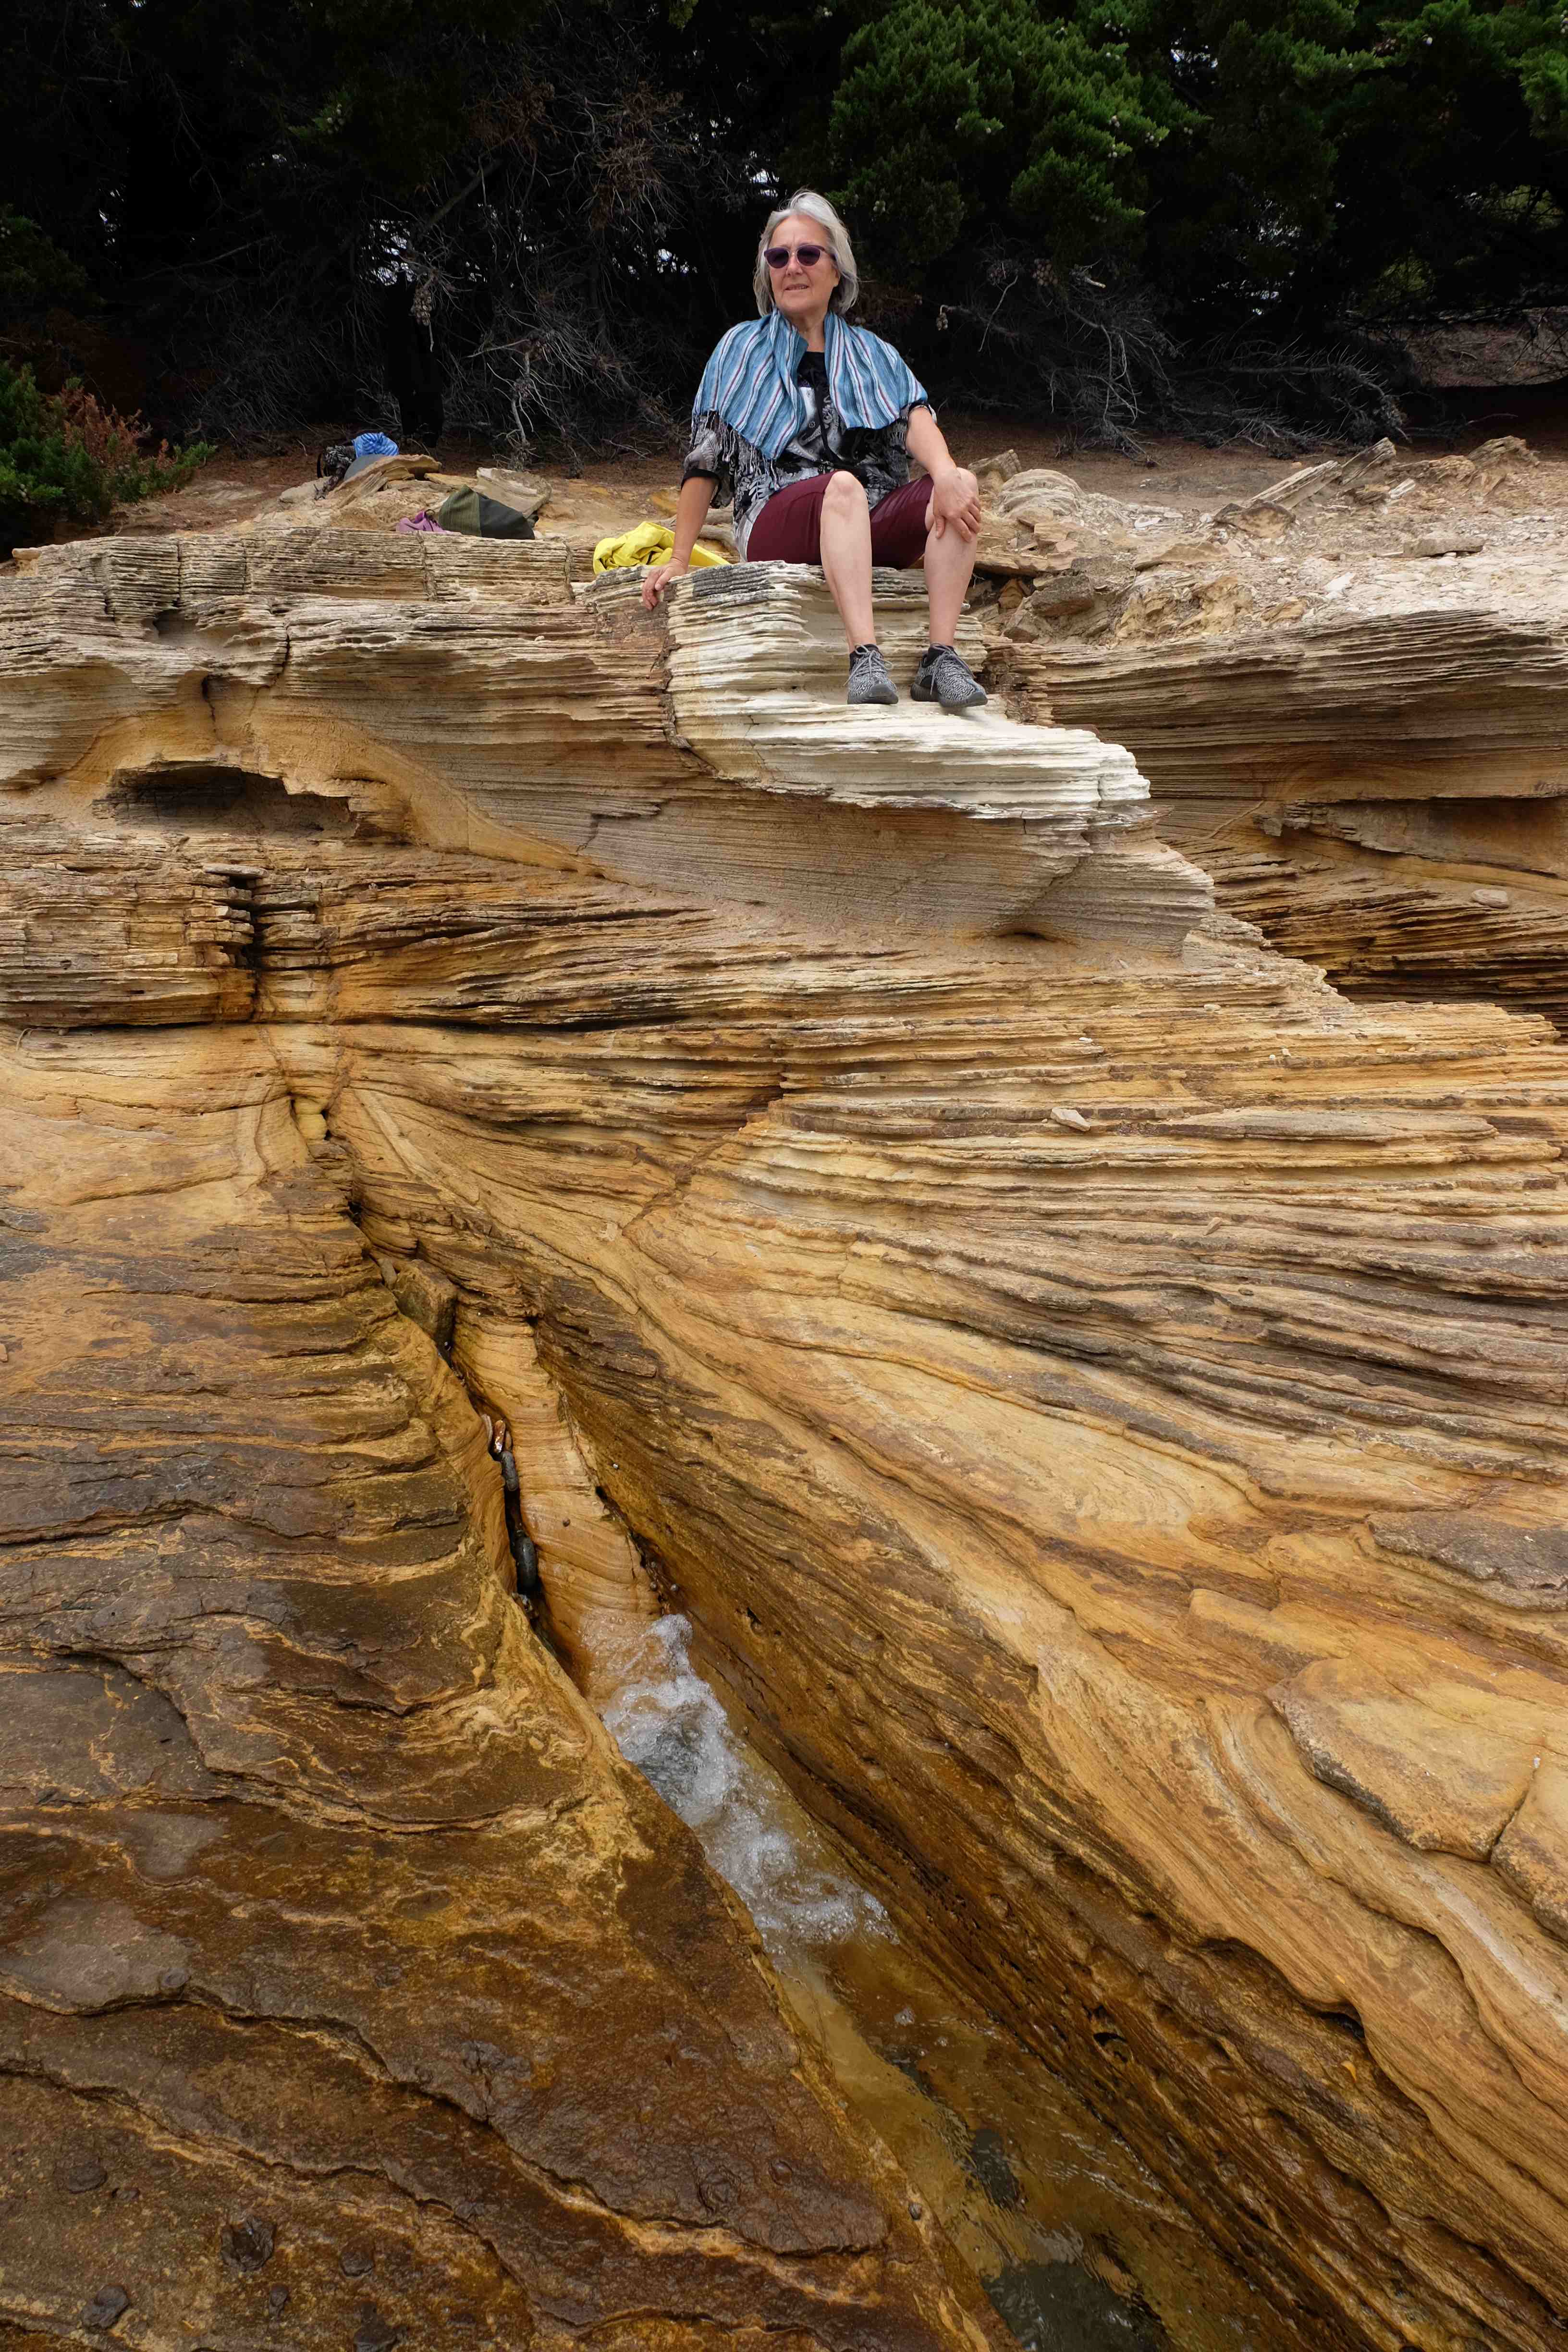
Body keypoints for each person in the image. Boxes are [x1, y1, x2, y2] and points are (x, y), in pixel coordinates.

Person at [640, 190, 986, 710]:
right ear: (767, 272)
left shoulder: (872, 353)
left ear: (836, 270)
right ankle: (864, 656)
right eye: (779, 256)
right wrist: (679, 558)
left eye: (807, 254)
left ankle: (940, 659)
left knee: (959, 484)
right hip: (777, 517)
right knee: (842, 488)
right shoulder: (741, 348)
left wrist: (946, 474)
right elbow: (705, 458)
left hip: (865, 520)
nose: (792, 267)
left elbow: (914, 416)